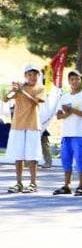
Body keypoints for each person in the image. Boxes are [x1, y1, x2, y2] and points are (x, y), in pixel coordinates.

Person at [4, 64, 45, 193]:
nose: (32, 77)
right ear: (25, 76)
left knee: (32, 156)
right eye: (29, 75)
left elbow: (35, 102)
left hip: (32, 125)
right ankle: (18, 183)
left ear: (38, 76)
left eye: (35, 74)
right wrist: (14, 89)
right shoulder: (21, 87)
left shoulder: (40, 88)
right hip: (18, 125)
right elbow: (5, 98)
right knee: (18, 156)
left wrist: (23, 91)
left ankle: (33, 183)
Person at [53, 70, 82, 196]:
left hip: (80, 133)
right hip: (66, 133)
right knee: (66, 160)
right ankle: (67, 185)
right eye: (72, 79)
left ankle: (81, 186)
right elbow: (59, 116)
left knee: (80, 160)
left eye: (77, 79)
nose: (74, 81)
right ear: (69, 81)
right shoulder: (64, 97)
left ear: (81, 80)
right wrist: (67, 113)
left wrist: (71, 110)